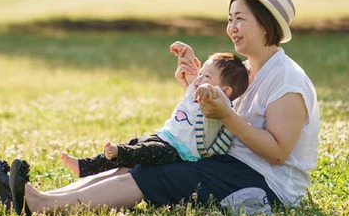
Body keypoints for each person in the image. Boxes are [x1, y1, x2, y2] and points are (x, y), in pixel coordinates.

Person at [0, 0, 318, 216]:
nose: (231, 28)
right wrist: (195, 92)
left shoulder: (287, 79)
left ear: (265, 25)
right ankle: (44, 197)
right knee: (141, 157)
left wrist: (226, 116)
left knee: (155, 173)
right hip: (228, 164)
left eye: (240, 19)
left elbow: (277, 153)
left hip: (265, 186)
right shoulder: (247, 69)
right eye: (229, 19)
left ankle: (42, 206)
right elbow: (216, 126)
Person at [58, 47, 249, 178]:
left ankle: (118, 153)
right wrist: (187, 52)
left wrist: (209, 90)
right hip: (163, 136)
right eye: (201, 74)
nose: (200, 79)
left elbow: (215, 97)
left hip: (179, 153)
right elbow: (192, 71)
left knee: (144, 152)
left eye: (206, 76)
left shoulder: (219, 108)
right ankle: (85, 167)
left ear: (226, 92)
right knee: (135, 144)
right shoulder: (195, 90)